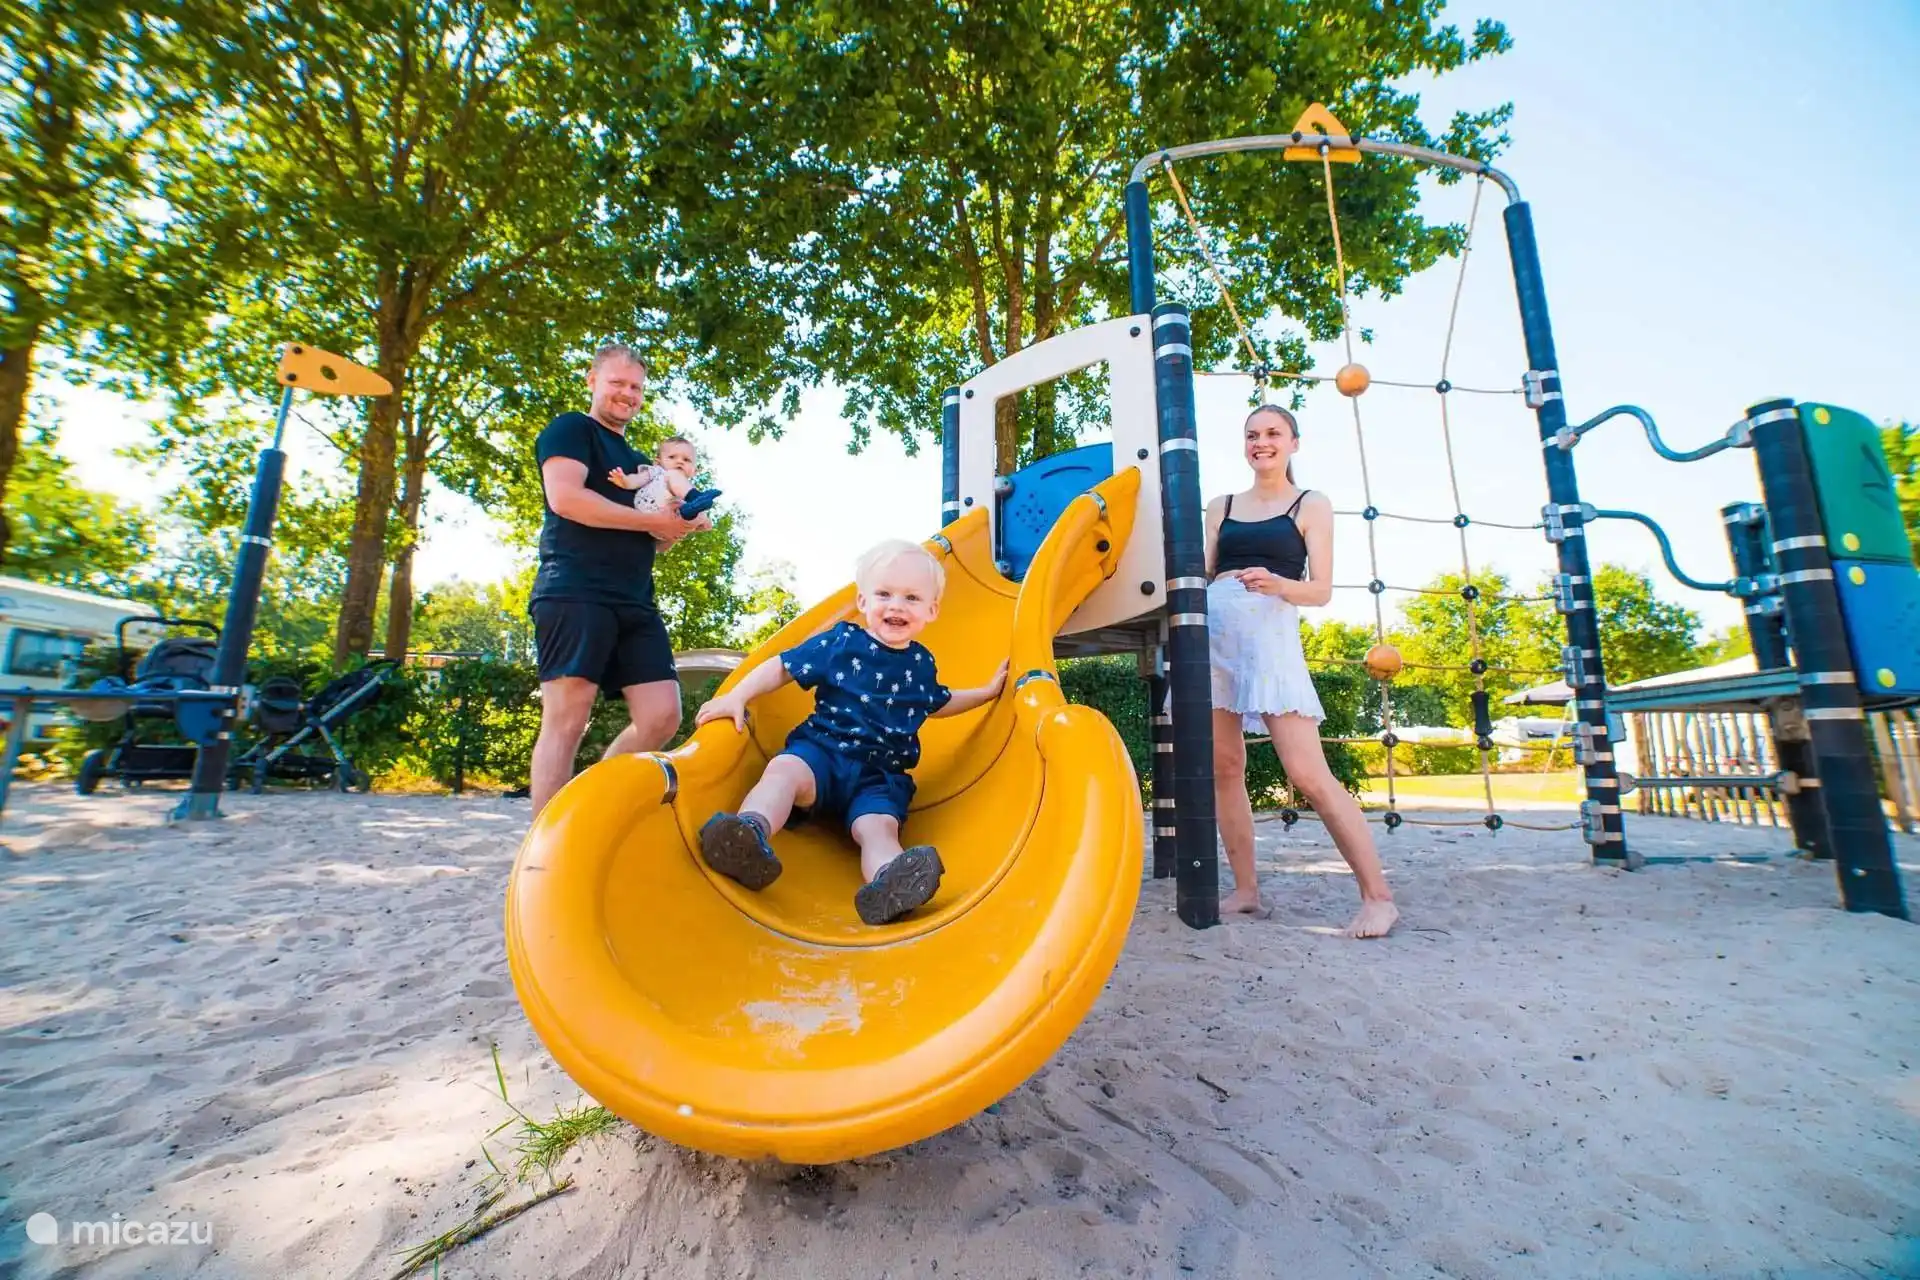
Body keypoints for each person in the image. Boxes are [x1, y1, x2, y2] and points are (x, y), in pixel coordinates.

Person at [692, 539, 1008, 925]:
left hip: (879, 776)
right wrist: (737, 696)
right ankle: (749, 832)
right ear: (862, 601)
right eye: (884, 594)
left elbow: (937, 702)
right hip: (821, 753)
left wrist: (986, 693)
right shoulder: (842, 642)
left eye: (911, 597)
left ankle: (889, 882)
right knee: (783, 772)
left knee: (879, 828)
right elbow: (783, 666)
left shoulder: (921, 663)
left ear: (932, 610)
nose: (896, 606)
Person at [1204, 404, 1399, 938]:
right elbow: (1204, 573)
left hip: (1269, 641)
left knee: (1308, 774)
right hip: (1216, 640)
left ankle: (1378, 898)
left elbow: (1320, 591)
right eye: (1252, 435)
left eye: (1273, 433)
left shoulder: (1311, 503)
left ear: (1294, 442)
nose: (1261, 442)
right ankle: (1246, 891)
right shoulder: (1221, 506)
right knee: (1224, 766)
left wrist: (1277, 583)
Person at [527, 343, 710, 816]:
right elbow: (567, 499)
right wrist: (654, 523)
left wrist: (678, 526)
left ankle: (590, 807)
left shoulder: (641, 463)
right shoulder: (571, 429)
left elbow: (653, 539)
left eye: (636, 387)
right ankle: (544, 844)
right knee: (567, 719)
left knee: (662, 715)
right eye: (617, 383)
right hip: (574, 589)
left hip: (634, 600)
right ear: (592, 381)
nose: (627, 393)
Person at [606, 434, 723, 526]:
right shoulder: (657, 471)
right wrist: (626, 481)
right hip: (645, 509)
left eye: (686, 460)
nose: (679, 461)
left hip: (665, 525)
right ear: (658, 462)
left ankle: (691, 512)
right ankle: (695, 504)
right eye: (672, 457)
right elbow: (638, 479)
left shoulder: (686, 488)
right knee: (678, 481)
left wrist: (704, 521)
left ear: (694, 471)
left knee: (691, 506)